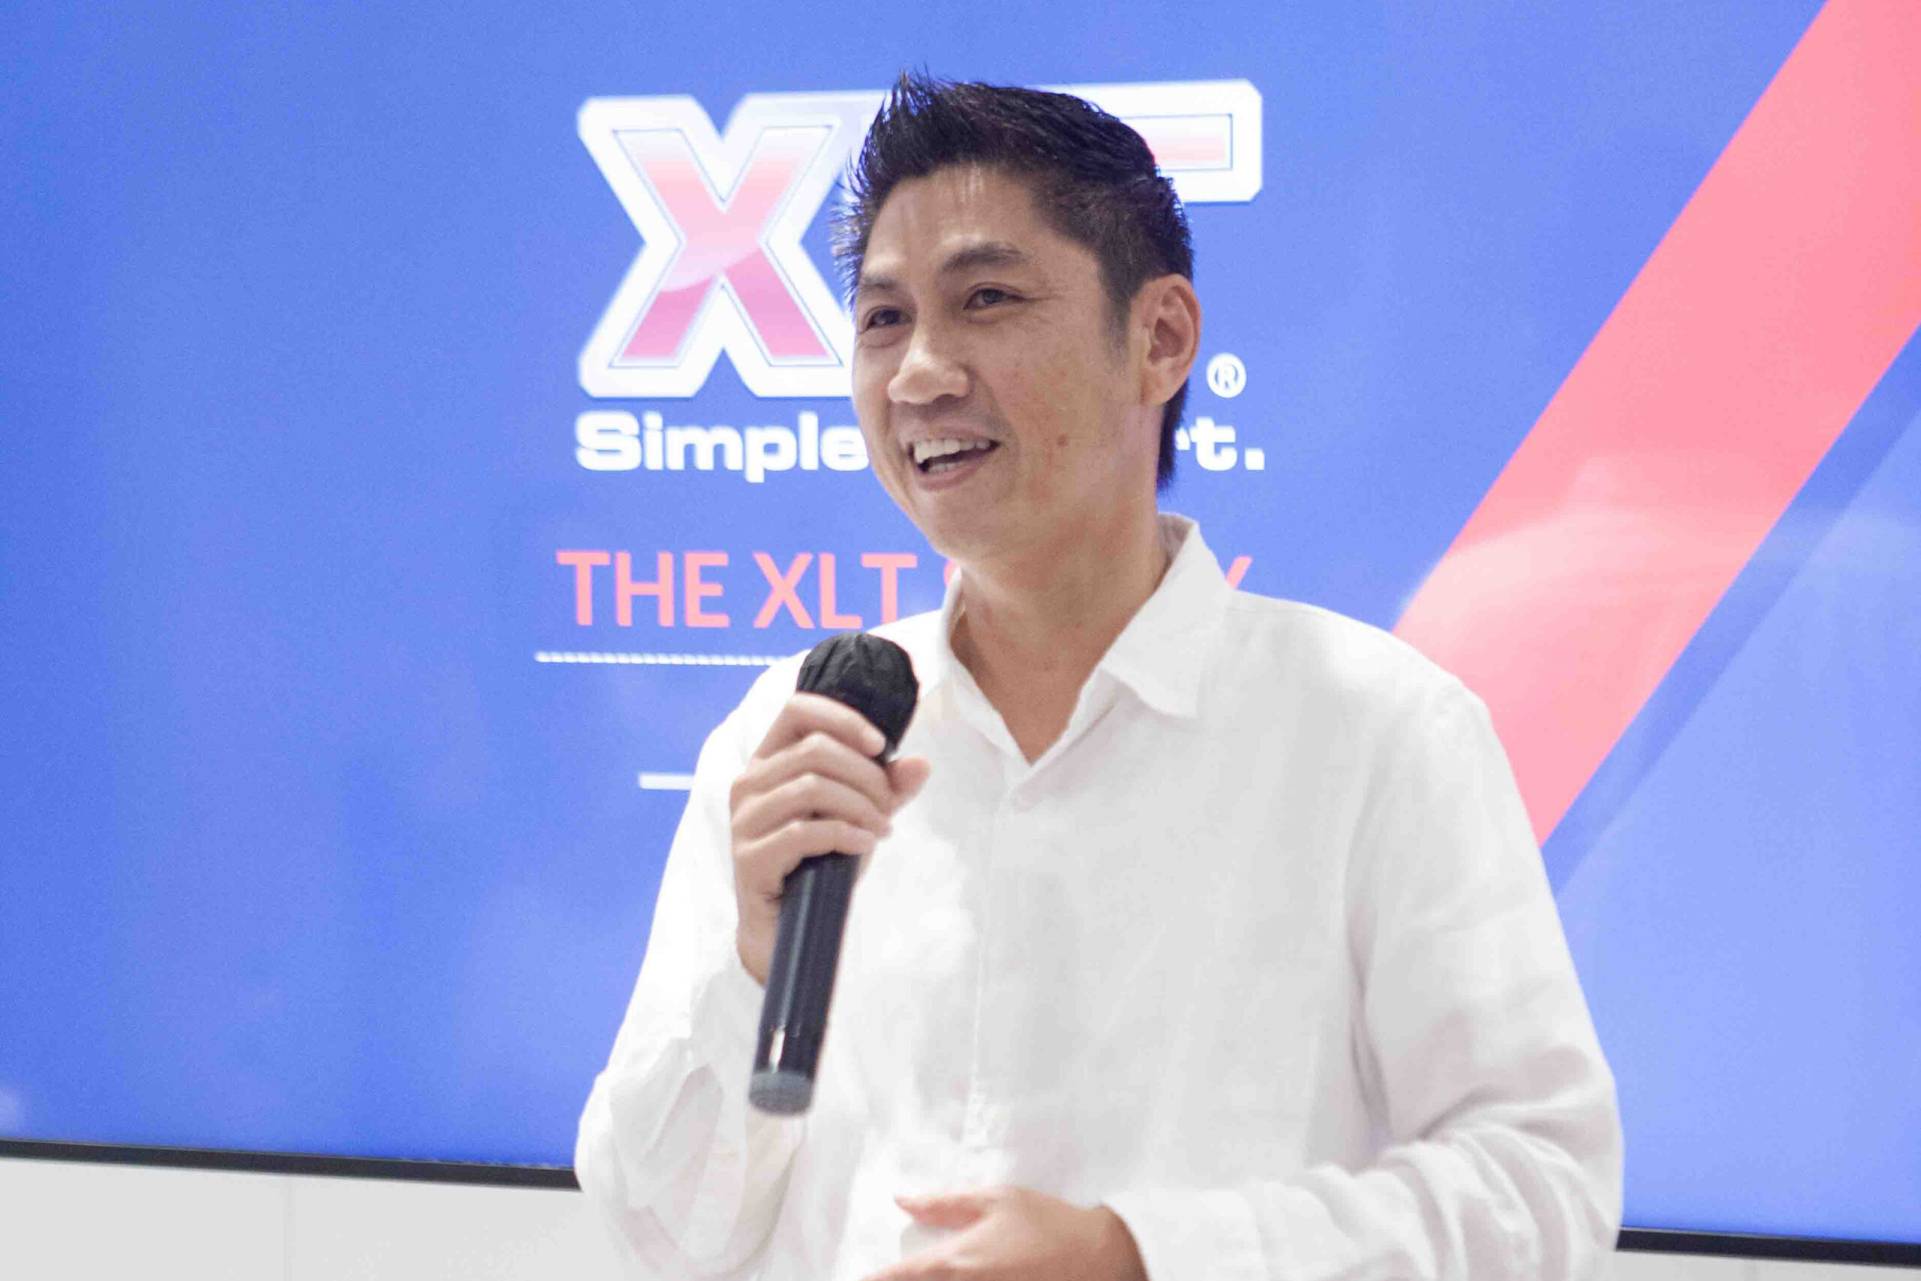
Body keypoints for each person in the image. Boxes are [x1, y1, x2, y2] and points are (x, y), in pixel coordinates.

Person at [576, 73, 1623, 1280]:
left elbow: (1538, 1186)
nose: (919, 373)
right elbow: (659, 1231)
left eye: (986, 299)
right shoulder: (797, 735)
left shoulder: (1375, 731)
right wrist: (752, 962)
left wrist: (1144, 1256)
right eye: (883, 319)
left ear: (1159, 338)